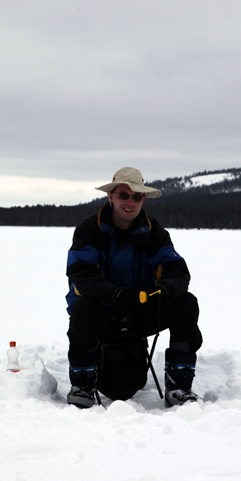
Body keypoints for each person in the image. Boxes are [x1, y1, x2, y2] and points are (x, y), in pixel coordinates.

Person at [65, 167, 203, 408]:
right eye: (124, 195)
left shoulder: (154, 232)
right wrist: (116, 295)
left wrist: (163, 292)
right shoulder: (89, 231)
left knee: (186, 302)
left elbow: (176, 271)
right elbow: (82, 275)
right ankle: (82, 385)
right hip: (102, 312)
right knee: (84, 307)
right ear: (111, 196)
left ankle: (178, 385)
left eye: (137, 196)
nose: (130, 202)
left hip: (143, 309)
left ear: (143, 199)